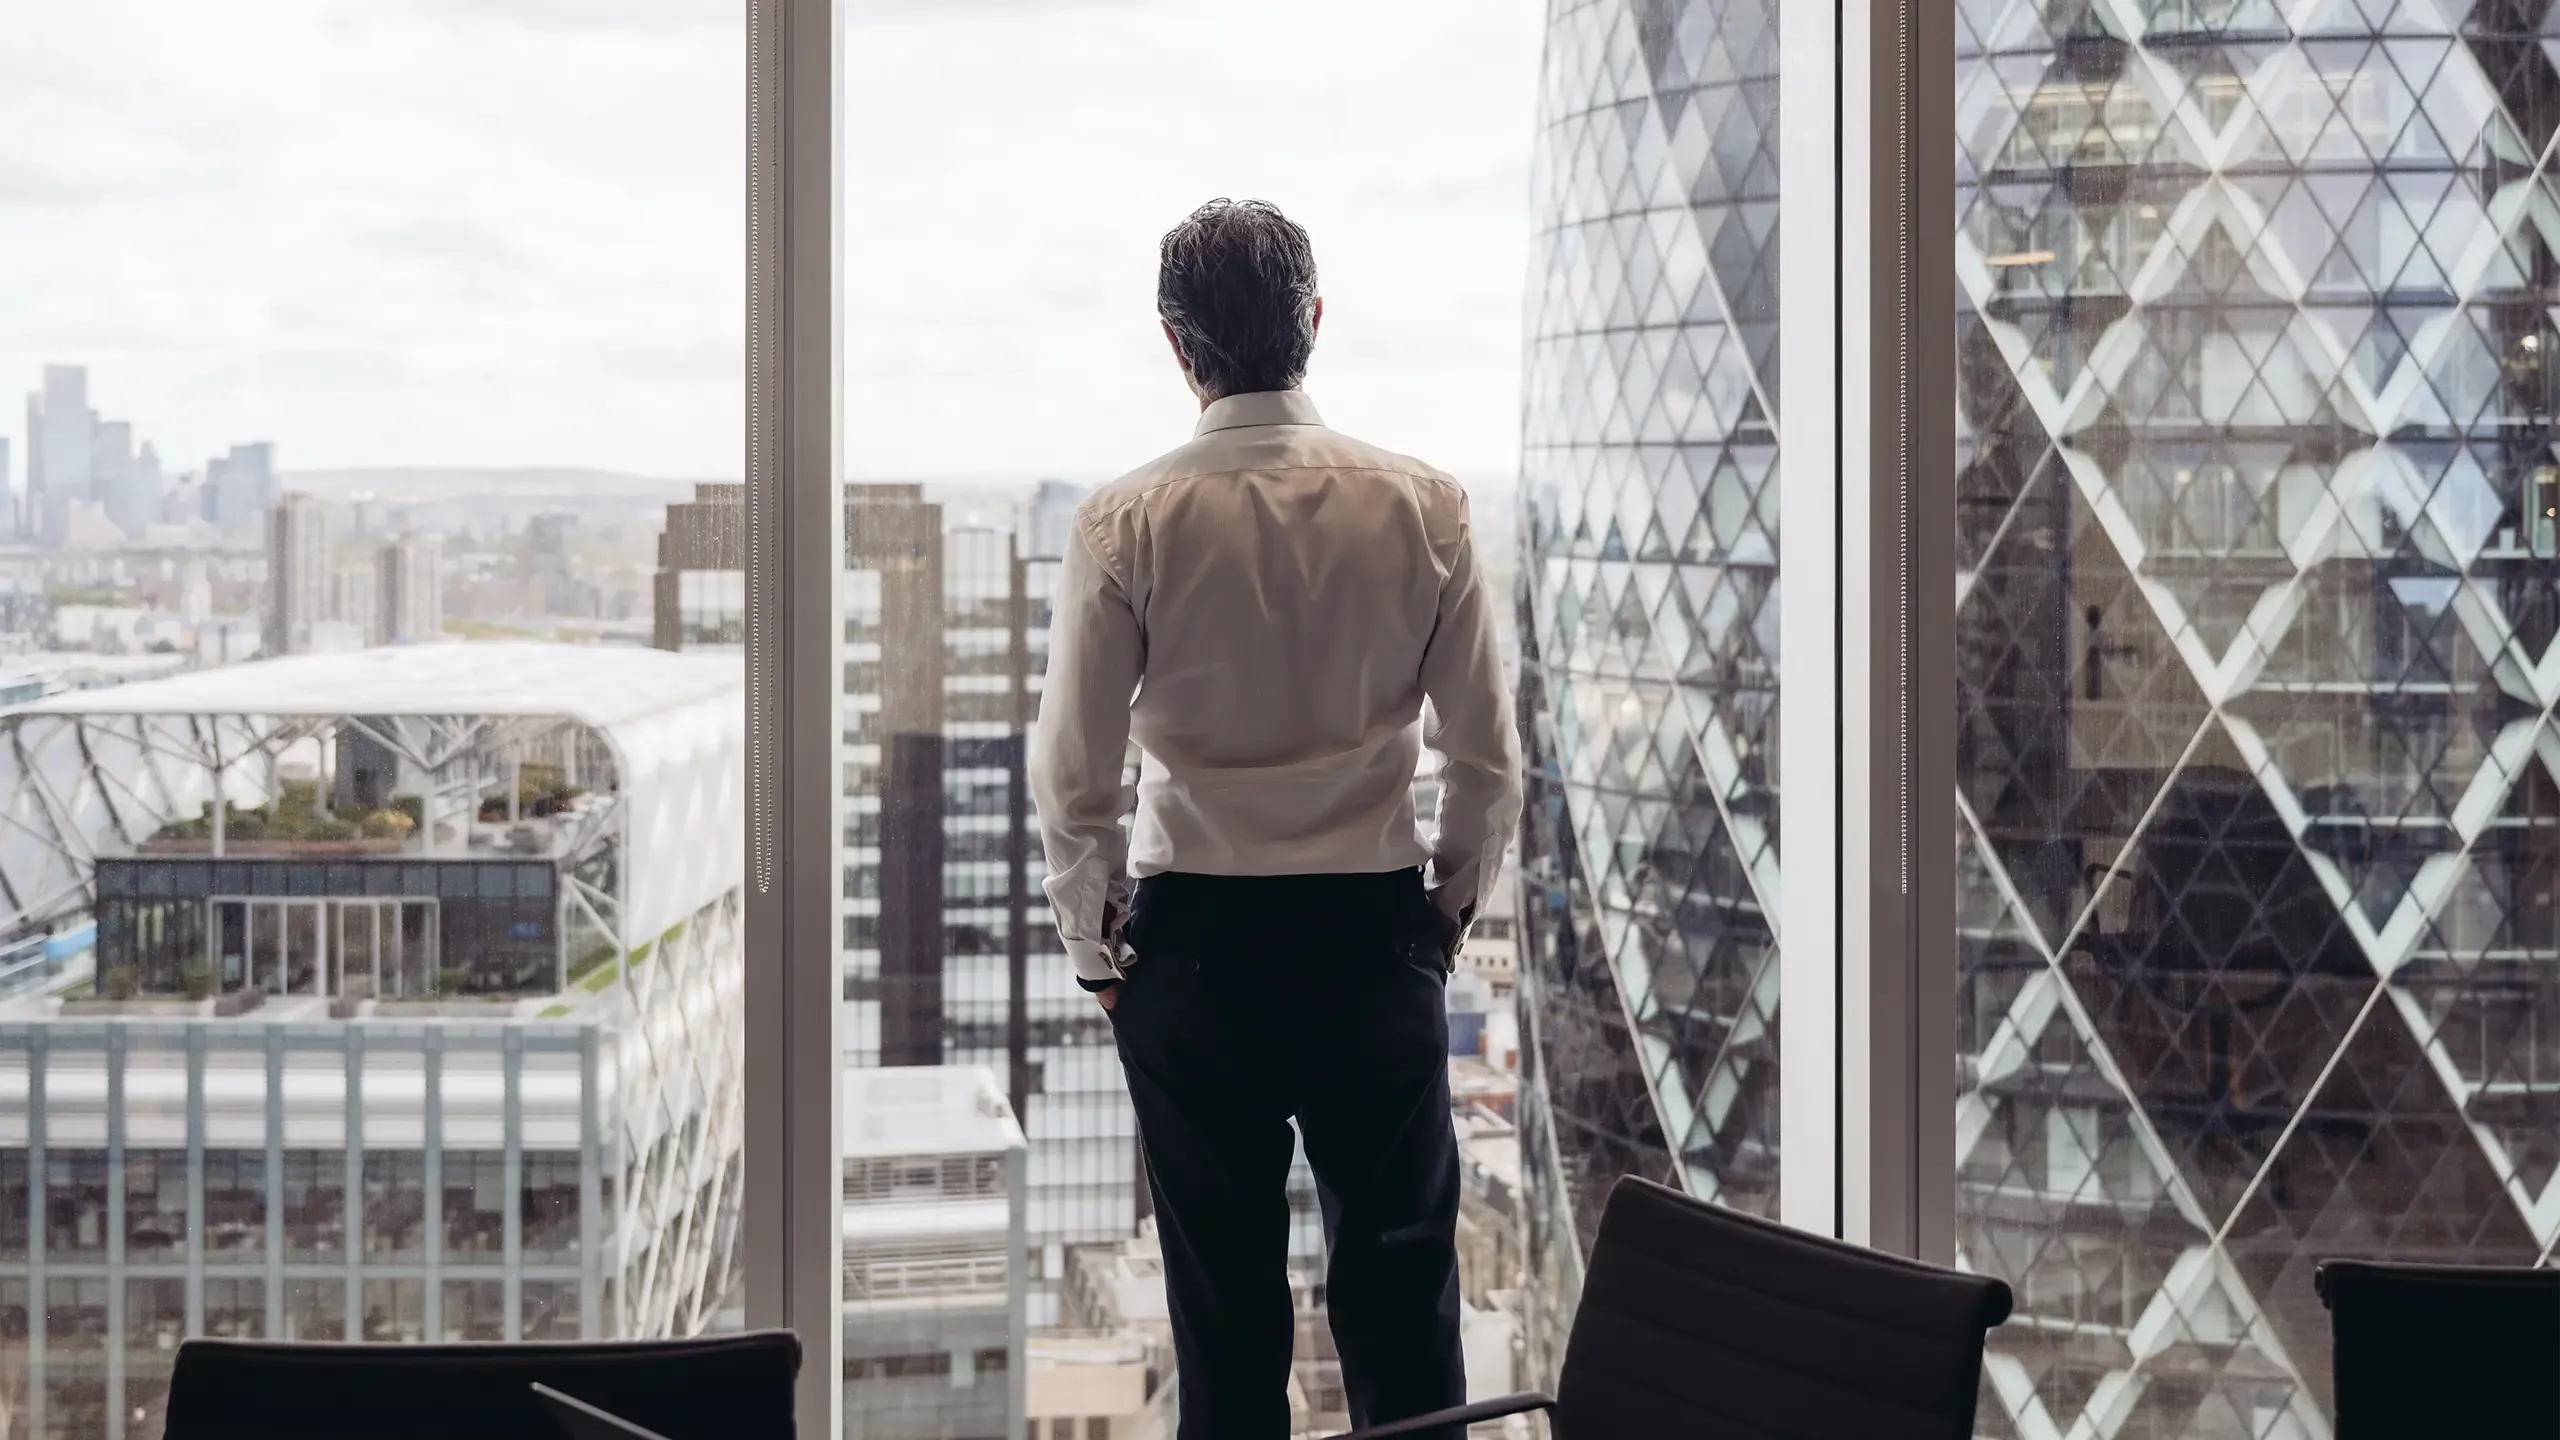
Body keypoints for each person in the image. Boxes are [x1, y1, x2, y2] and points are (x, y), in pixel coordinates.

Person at [1030, 198, 1523, 1440]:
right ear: (1312, 320)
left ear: (1174, 343)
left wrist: (1102, 960)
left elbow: (1073, 775)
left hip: (1193, 952)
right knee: (1406, 1308)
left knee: (1224, 1328)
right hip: (1371, 940)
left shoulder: (1123, 521)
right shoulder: (1428, 507)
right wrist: (1444, 918)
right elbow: (1487, 760)